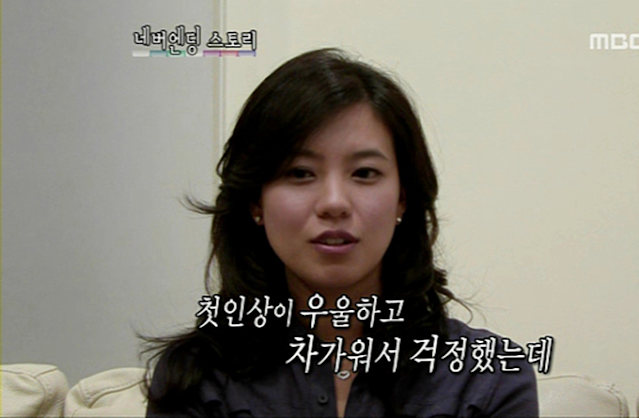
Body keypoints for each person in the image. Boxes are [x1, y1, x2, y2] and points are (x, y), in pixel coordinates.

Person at [144, 48, 538, 417]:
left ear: (403, 198)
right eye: (300, 173)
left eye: (364, 173)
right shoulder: (197, 377)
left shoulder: (487, 378)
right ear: (255, 201)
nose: (334, 202)